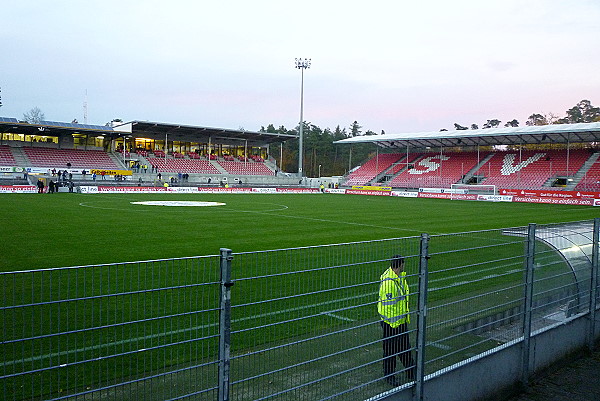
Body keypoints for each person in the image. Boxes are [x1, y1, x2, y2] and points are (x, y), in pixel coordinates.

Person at [378, 254, 416, 386]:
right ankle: (389, 375)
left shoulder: (398, 278)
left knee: (404, 347)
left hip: (399, 321)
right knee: (390, 350)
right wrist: (394, 324)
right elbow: (388, 306)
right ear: (400, 265)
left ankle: (411, 371)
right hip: (392, 323)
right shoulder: (389, 282)